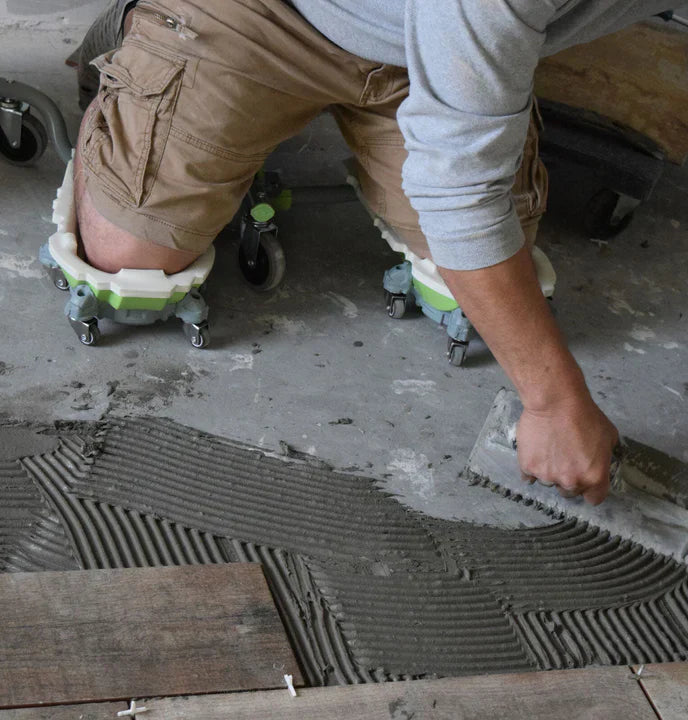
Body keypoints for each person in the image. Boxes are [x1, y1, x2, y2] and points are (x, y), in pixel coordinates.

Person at [74, 0, 672, 504]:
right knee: (129, 266)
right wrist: (553, 403)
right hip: (259, 15)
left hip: (417, 45)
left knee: (471, 277)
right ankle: (137, 44)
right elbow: (462, 197)